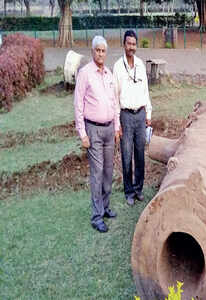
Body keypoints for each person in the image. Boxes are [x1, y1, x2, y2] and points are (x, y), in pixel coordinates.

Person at [74, 36, 120, 233]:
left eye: (103, 51)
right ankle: (96, 216)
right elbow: (78, 104)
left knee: (109, 172)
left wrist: (117, 127)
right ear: (92, 52)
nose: (100, 54)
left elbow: (114, 102)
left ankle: (106, 206)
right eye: (97, 50)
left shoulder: (109, 74)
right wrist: (82, 133)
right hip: (93, 130)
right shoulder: (85, 73)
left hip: (110, 129)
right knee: (97, 172)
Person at [113, 30, 152, 206]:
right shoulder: (117, 67)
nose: (132, 47)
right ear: (124, 45)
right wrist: (117, 123)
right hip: (126, 116)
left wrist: (148, 115)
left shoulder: (141, 65)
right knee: (127, 155)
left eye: (134, 44)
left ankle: (138, 189)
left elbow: (146, 92)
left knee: (140, 155)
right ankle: (128, 191)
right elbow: (114, 97)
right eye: (129, 44)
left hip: (141, 114)